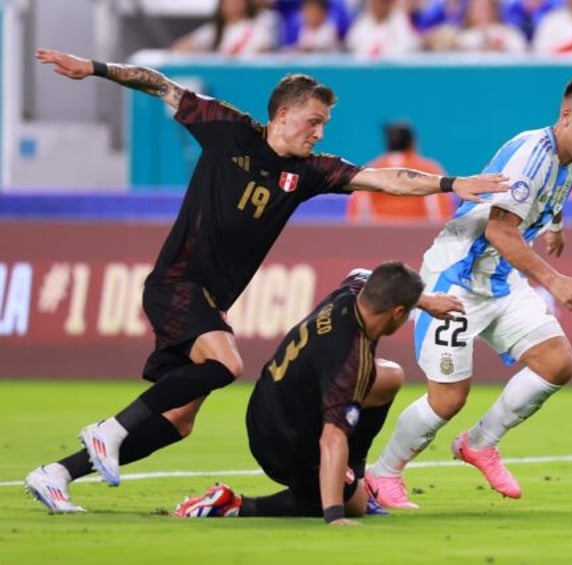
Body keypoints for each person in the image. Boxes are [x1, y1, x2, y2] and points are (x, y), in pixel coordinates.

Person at [24, 48, 507, 514]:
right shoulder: (226, 130)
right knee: (226, 363)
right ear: (282, 115)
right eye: (312, 121)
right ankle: (110, 430)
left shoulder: (309, 173)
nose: (318, 133)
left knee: (179, 420)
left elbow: (385, 179)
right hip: (178, 282)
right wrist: (94, 68)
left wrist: (448, 184)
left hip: (212, 299)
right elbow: (160, 84)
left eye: (323, 125)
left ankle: (58, 474)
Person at [366, 74, 572, 508]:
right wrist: (556, 281)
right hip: (456, 280)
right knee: (448, 399)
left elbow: (551, 199)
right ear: (566, 116)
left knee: (557, 362)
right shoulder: (530, 156)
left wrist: (555, 228)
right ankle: (383, 474)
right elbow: (502, 232)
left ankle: (480, 443)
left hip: (500, 282)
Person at [171, 263, 463, 525]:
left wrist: (424, 302)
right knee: (355, 504)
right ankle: (232, 505)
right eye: (407, 311)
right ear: (397, 312)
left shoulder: (350, 295)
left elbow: (360, 272)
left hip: (266, 404)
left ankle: (354, 474)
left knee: (389, 377)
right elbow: (332, 437)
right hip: (283, 444)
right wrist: (335, 514)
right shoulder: (350, 360)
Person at [347, 122, 454, 223]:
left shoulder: (370, 171)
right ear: (412, 143)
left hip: (381, 239)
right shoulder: (429, 170)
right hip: (419, 239)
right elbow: (439, 212)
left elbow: (358, 215)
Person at [171, 0, 278, 55]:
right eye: (228, 3)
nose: (232, 6)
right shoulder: (214, 29)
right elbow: (183, 45)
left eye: (237, 3)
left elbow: (262, 48)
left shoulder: (258, 24)